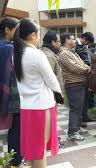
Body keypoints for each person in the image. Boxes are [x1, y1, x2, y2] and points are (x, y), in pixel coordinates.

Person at [13, 19, 61, 168]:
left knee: (33, 150)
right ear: (33, 35)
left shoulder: (16, 53)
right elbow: (51, 79)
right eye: (38, 33)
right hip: (41, 107)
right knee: (40, 150)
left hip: (26, 106)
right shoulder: (36, 54)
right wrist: (59, 94)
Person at [58, 33, 90, 141]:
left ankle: (76, 127)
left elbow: (82, 64)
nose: (75, 41)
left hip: (79, 83)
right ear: (67, 40)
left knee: (79, 108)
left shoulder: (71, 52)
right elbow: (74, 67)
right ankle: (72, 132)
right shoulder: (64, 53)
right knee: (75, 108)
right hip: (73, 84)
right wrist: (88, 70)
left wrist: (87, 68)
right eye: (72, 39)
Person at [0, 17, 23, 167]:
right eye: (17, 29)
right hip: (11, 94)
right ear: (7, 30)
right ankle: (15, 160)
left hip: (4, 91)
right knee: (16, 128)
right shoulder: (8, 48)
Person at [74, 32, 95, 127]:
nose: (87, 45)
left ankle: (85, 115)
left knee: (86, 97)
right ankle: (80, 119)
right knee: (80, 99)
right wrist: (90, 67)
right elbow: (83, 60)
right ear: (84, 38)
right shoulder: (76, 46)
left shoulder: (83, 46)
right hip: (81, 75)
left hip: (87, 75)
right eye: (87, 42)